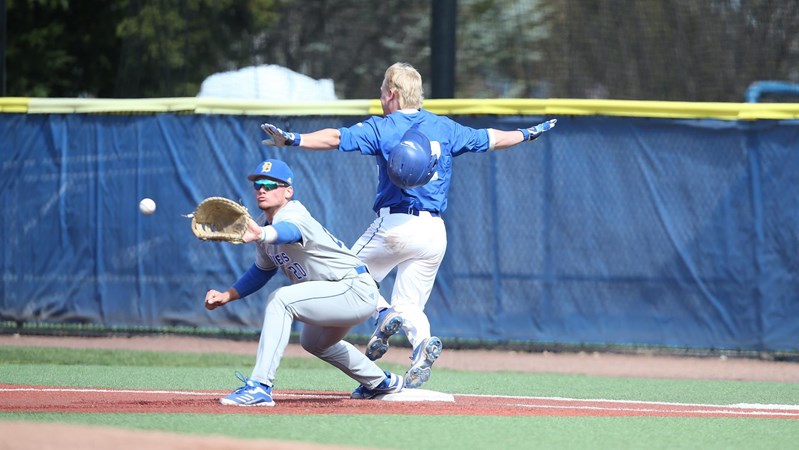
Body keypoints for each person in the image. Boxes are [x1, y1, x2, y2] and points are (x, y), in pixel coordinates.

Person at [259, 62, 557, 393]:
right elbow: (491, 138)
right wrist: (527, 133)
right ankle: (421, 348)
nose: (381, 97)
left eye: (382, 92)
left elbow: (334, 138)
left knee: (344, 275)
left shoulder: (383, 127)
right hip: (434, 233)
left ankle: (382, 315)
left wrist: (293, 139)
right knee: (410, 305)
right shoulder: (443, 127)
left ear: (392, 93)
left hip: (395, 225)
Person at [204, 158, 404, 406]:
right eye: (258, 185)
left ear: (288, 191)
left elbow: (290, 232)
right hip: (336, 294)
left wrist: (263, 234)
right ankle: (380, 382)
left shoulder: (293, 213)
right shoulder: (263, 225)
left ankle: (260, 386)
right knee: (314, 342)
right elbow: (262, 270)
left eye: (270, 184)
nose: (262, 189)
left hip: (353, 288)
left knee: (281, 300)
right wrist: (228, 295)